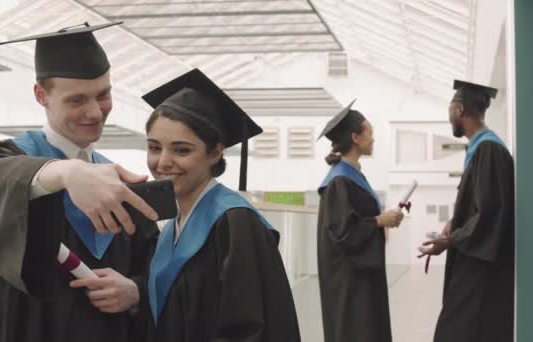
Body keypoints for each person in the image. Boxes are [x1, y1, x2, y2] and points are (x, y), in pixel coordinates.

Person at [0, 22, 159, 342]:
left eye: (103, 94)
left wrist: (136, 290)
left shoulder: (117, 183)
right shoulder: (7, 160)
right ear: (41, 95)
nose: (95, 111)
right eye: (77, 99)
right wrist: (65, 173)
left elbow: (151, 266)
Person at [139, 68, 301, 342]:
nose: (163, 162)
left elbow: (249, 329)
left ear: (215, 152)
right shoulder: (172, 225)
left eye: (181, 150)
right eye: (155, 147)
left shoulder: (234, 222)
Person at [418, 80, 514, 342]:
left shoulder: (489, 149)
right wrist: (454, 222)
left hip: (482, 267)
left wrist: (450, 240)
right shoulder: (482, 149)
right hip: (475, 259)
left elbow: (489, 214)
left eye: (450, 108)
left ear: (459, 110)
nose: (449, 115)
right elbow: (480, 204)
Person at [316, 100, 404, 342]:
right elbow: (343, 233)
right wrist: (378, 221)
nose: (373, 138)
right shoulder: (339, 181)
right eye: (370, 132)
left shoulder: (352, 176)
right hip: (350, 284)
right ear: (355, 137)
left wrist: (382, 220)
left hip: (360, 279)